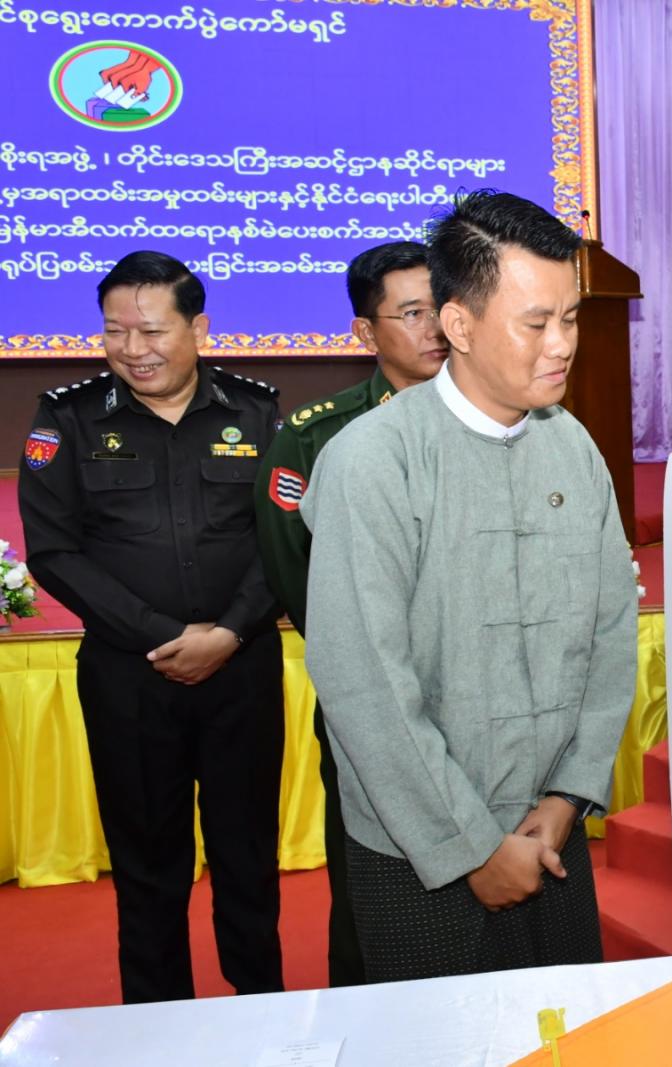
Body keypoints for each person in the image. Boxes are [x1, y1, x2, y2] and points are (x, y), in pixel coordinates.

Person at [299, 191, 636, 982]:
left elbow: (610, 634)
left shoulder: (573, 446)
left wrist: (567, 796)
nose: (563, 345)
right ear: (458, 324)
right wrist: (473, 848)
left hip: (550, 836)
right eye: (536, 323)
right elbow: (365, 681)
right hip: (420, 853)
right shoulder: (372, 460)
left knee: (562, 1031)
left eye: (571, 318)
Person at [18, 251, 284, 1003]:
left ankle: (264, 1013)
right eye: (115, 332)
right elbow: (55, 552)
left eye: (152, 330)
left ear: (198, 328)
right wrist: (161, 636)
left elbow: (285, 536)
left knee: (248, 857)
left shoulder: (257, 412)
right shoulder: (67, 417)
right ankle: (156, 1023)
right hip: (129, 679)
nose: (133, 349)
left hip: (242, 671)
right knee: (146, 867)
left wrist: (229, 632)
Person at [253, 240, 447, 987]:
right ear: (367, 331)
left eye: (444, 307)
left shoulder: (507, 416)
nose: (436, 327)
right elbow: (298, 576)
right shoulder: (316, 436)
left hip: (486, 696)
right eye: (412, 313)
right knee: (374, 890)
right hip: (373, 702)